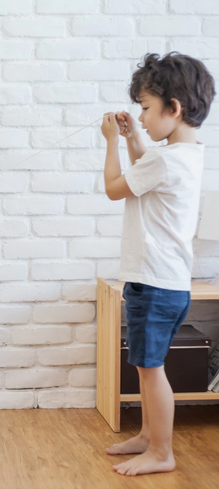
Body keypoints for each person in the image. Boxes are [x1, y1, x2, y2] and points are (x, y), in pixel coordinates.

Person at [100, 52, 215, 476]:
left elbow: (116, 188)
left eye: (146, 108)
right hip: (168, 283)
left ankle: (162, 452)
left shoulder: (165, 160)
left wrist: (111, 141)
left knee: (150, 370)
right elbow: (145, 167)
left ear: (175, 108)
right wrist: (133, 138)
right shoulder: (185, 156)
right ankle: (149, 437)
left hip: (153, 282)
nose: (141, 117)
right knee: (149, 364)